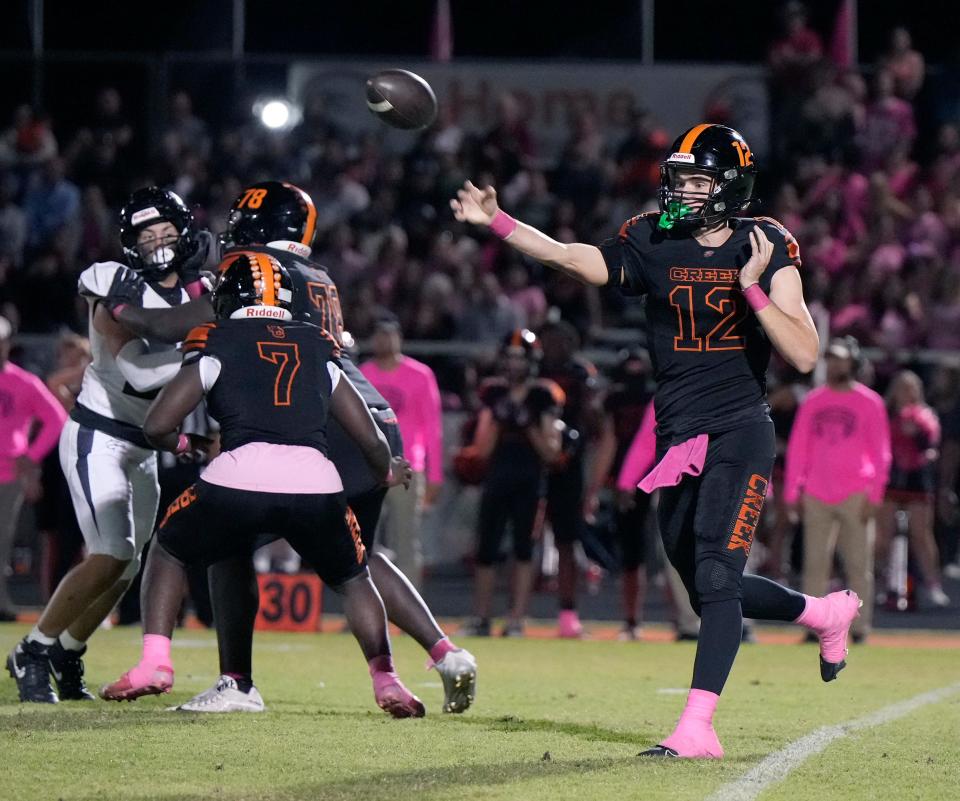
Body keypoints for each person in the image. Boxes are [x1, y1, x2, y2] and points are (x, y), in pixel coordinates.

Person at [452, 123, 860, 760]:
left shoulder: (767, 241)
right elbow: (572, 257)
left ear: (729, 186)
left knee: (720, 577)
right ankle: (823, 613)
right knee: (706, 586)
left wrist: (751, 287)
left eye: (697, 181)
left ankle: (697, 728)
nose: (683, 191)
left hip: (739, 430)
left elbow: (804, 353)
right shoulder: (651, 235)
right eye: (681, 178)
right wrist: (502, 223)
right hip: (678, 436)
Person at [98, 181, 475, 714]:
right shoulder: (318, 276)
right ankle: (443, 652)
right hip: (364, 415)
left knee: (226, 538)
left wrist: (117, 310)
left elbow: (177, 325)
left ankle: (237, 681)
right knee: (355, 560)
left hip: (307, 423)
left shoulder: (254, 271)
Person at [7, 187, 204, 704]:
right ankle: (33, 648)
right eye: (147, 234)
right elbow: (137, 374)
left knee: (129, 563)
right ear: (131, 243)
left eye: (166, 231)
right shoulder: (114, 283)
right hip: (100, 434)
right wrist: (208, 351)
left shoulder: (202, 290)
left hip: (145, 446)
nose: (158, 242)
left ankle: (68, 650)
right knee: (110, 551)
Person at [783, 337, 891, 642]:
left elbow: (882, 452)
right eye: (831, 359)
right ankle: (814, 626)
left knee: (858, 564)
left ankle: (859, 628)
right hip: (817, 490)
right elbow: (798, 449)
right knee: (814, 564)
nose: (835, 364)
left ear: (854, 363)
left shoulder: (870, 402)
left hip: (856, 491)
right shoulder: (814, 400)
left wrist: (876, 494)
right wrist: (793, 492)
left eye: (841, 359)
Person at [461, 329, 562, 636]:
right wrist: (500, 420)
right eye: (510, 357)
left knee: (523, 550)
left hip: (530, 481)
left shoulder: (542, 395)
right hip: (497, 477)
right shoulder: (494, 393)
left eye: (520, 358)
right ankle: (482, 617)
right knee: (487, 550)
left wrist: (527, 425)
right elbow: (482, 449)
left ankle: (517, 618)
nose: (514, 364)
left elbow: (551, 450)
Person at [359, 317, 444, 588]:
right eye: (379, 334)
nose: (384, 340)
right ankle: (365, 606)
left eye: (389, 334)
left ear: (399, 338)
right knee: (362, 541)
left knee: (406, 541)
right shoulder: (362, 373)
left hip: (408, 467)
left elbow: (432, 428)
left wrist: (435, 475)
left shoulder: (419, 375)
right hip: (369, 467)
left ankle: (410, 610)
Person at [538, 320, 603, 638]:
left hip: (568, 463)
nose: (555, 347)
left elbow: (593, 419)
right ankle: (514, 611)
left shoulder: (581, 373)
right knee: (523, 537)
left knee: (566, 538)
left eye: (561, 340)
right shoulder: (532, 370)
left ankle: (567, 610)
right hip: (532, 460)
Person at [0, 316, 67, 619]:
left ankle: (1, 602)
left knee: (3, 539)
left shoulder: (23, 382)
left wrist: (32, 455)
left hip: (9, 472)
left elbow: (56, 419)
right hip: (13, 469)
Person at [875, 370, 948, 608]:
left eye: (911, 388)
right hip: (890, 478)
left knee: (921, 533)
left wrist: (917, 433)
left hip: (917, 479)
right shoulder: (884, 414)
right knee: (883, 536)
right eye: (902, 387)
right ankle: (881, 584)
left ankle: (933, 584)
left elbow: (931, 444)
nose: (907, 393)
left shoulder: (926, 416)